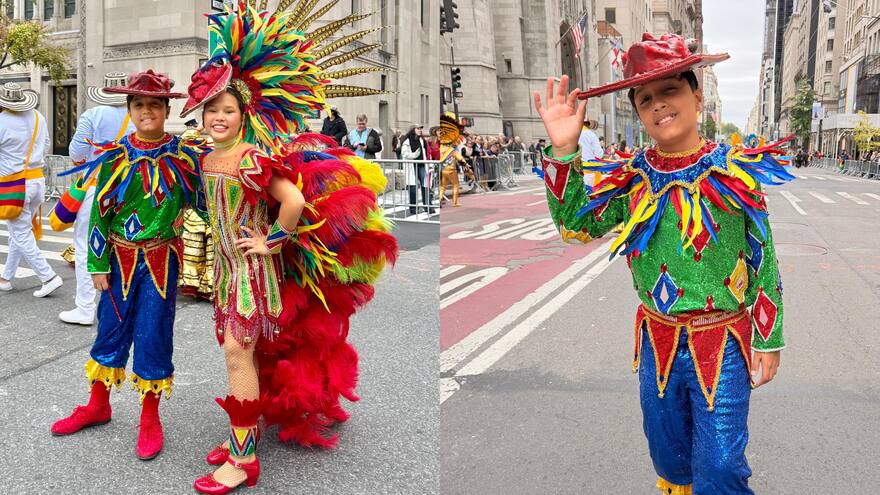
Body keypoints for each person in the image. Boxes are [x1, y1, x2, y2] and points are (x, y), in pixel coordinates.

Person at [533, 33, 791, 494]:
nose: (658, 105)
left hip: (725, 340)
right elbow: (575, 225)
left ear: (696, 95)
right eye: (645, 98)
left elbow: (762, 255)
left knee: (721, 465)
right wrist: (564, 151)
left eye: (670, 90)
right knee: (669, 457)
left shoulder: (734, 172)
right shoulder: (632, 179)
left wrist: (768, 339)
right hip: (658, 341)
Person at [180, 3, 398, 492]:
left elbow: (293, 200)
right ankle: (248, 430)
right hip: (226, 271)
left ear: (243, 114)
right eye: (210, 110)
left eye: (226, 110)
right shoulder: (210, 157)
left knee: (238, 353)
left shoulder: (250, 158)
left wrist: (271, 239)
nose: (217, 117)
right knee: (245, 355)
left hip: (252, 274)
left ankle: (243, 460)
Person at [49, 70, 205, 462]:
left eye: (154, 104)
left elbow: (206, 203)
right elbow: (101, 214)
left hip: (161, 261)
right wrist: (96, 264)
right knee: (110, 330)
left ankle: (149, 417)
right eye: (139, 105)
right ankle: (98, 405)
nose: (147, 111)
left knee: (153, 334)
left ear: (166, 109)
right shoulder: (115, 156)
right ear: (129, 110)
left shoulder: (185, 157)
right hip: (117, 261)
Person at [51, 72, 136, 325]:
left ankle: (85, 307)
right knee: (123, 244)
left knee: (87, 245)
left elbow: (76, 151)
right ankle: (121, 305)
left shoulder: (93, 115)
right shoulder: (138, 117)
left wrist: (88, 161)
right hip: (129, 189)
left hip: (96, 186)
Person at [0, 82, 62, 297]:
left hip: (13, 184)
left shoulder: (2, 122)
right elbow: (46, 145)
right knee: (20, 230)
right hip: (37, 181)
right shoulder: (38, 117)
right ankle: (6, 277)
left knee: (20, 232)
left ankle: (48, 276)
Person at [434, 113, 466, 207]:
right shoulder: (452, 150)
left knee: (443, 186)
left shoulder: (441, 148)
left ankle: (439, 200)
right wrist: (466, 166)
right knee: (455, 185)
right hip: (451, 170)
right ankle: (455, 203)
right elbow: (461, 159)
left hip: (443, 169)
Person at [401, 125, 430, 214]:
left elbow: (425, 152)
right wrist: (414, 155)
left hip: (421, 165)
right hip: (412, 165)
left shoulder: (422, 140)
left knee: (425, 185)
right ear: (413, 130)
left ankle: (427, 206)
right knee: (412, 187)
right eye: (418, 128)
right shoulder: (407, 141)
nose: (420, 130)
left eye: (420, 128)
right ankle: (413, 208)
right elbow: (404, 153)